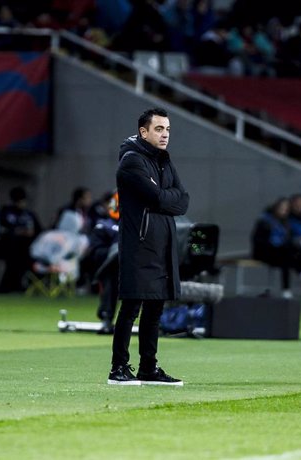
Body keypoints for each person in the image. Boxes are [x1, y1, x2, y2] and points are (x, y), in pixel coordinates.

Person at [109, 107, 189, 386]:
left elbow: (183, 201)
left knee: (155, 310)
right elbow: (157, 196)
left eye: (167, 129)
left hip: (163, 245)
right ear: (143, 132)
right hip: (139, 245)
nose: (165, 134)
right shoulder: (132, 161)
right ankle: (118, 368)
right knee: (131, 307)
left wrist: (165, 198)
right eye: (159, 129)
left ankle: (148, 368)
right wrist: (166, 197)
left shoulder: (164, 161)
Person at [251, 197, 301, 299]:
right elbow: (260, 241)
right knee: (287, 253)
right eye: (282, 208)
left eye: (286, 209)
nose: (284, 211)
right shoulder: (265, 221)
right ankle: (300, 273)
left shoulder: (285, 223)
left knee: (290, 255)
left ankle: (293, 282)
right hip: (265, 253)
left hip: (281, 254)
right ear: (275, 208)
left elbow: (288, 240)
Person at [83, 190, 120, 334]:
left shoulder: (140, 226)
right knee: (110, 274)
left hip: (139, 266)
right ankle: (107, 316)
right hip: (115, 267)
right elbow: (96, 252)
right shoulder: (103, 226)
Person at [0, 186, 42, 292]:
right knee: (13, 262)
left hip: (28, 248)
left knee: (28, 263)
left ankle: (22, 285)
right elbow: (1, 229)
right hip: (9, 246)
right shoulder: (6, 211)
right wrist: (17, 232)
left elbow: (39, 230)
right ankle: (7, 287)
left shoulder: (29, 214)